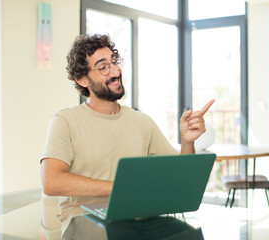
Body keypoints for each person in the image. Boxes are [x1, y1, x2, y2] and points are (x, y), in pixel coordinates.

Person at [40, 33, 215, 198]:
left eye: (115, 62)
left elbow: (181, 177)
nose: (116, 72)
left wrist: (187, 141)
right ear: (82, 80)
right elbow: (51, 182)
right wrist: (123, 187)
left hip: (138, 220)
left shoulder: (142, 122)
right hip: (83, 222)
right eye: (103, 67)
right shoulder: (65, 121)